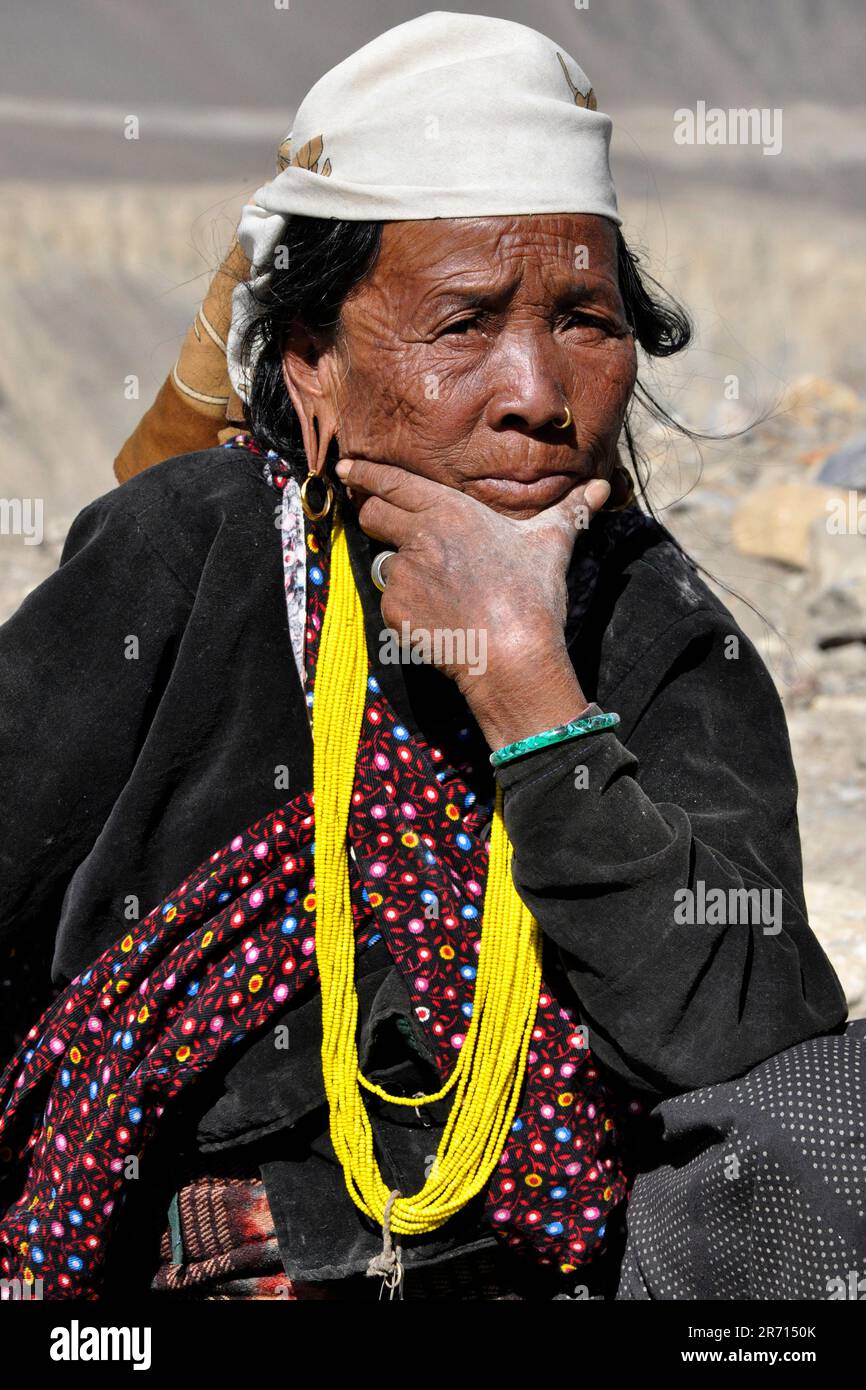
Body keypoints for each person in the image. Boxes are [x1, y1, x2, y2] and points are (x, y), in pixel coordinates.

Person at [0, 12, 860, 1304]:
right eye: (463, 323)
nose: (535, 390)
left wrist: (531, 697)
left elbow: (754, 1041)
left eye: (583, 318)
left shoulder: (646, 615)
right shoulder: (187, 558)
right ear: (313, 368)